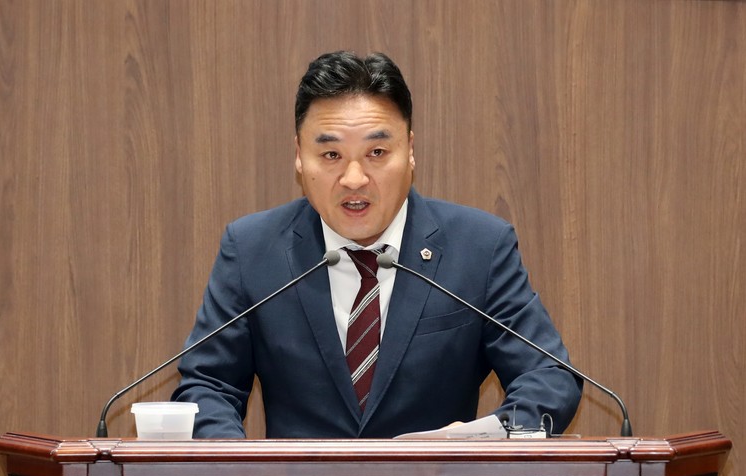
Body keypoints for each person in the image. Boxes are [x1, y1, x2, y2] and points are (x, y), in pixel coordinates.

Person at [171, 51, 582, 438]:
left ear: (410, 151)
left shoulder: (479, 247)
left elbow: (549, 376)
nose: (354, 179)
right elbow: (207, 385)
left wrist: (485, 448)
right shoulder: (252, 250)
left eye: (377, 152)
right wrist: (243, 472)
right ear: (299, 155)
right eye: (331, 155)